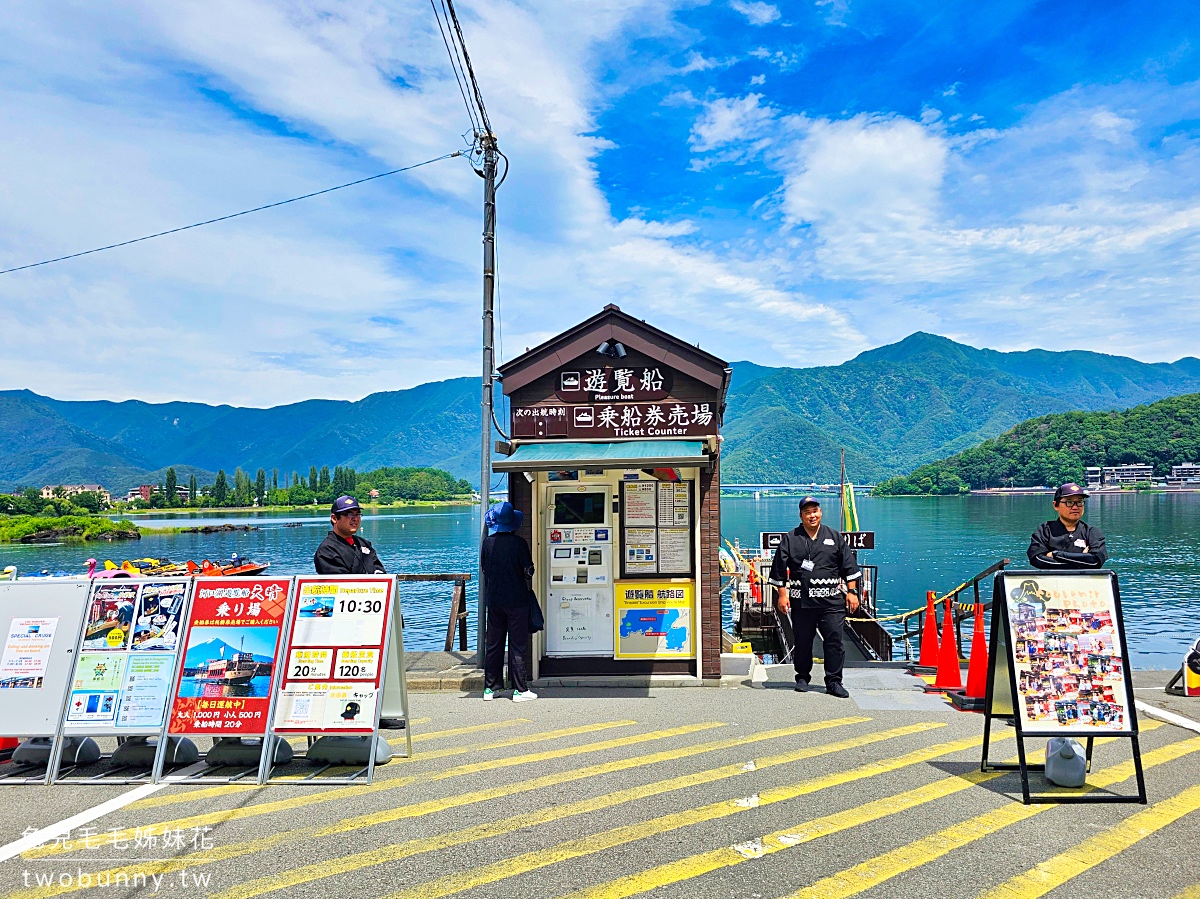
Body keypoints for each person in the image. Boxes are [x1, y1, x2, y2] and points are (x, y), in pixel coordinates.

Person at [768, 496, 861, 698]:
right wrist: (782, 595)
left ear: (821, 512)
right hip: (801, 600)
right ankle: (802, 677)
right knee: (802, 640)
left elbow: (849, 567)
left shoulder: (834, 536)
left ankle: (834, 682)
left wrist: (852, 592)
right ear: (801, 516)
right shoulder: (790, 538)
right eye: (808, 512)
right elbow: (779, 570)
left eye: (815, 511)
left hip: (831, 601)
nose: (812, 515)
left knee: (835, 641)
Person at [481, 501, 537, 702]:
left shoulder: (487, 543)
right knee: (518, 645)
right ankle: (520, 690)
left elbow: (485, 569)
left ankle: (490, 688)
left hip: (494, 600)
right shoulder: (519, 544)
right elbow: (528, 571)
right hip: (517, 600)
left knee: (494, 644)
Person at [1027, 483, 1107, 569]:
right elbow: (1038, 560)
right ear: (1055, 505)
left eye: (1079, 502)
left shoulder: (1092, 532)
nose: (1075, 507)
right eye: (1069, 502)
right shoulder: (1044, 530)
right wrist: (1081, 560)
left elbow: (1095, 562)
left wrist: (1055, 554)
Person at [314, 495, 387, 574]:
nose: (355, 519)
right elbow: (342, 582)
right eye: (350, 514)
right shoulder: (327, 550)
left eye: (357, 514)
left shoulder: (364, 544)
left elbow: (380, 572)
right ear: (334, 518)